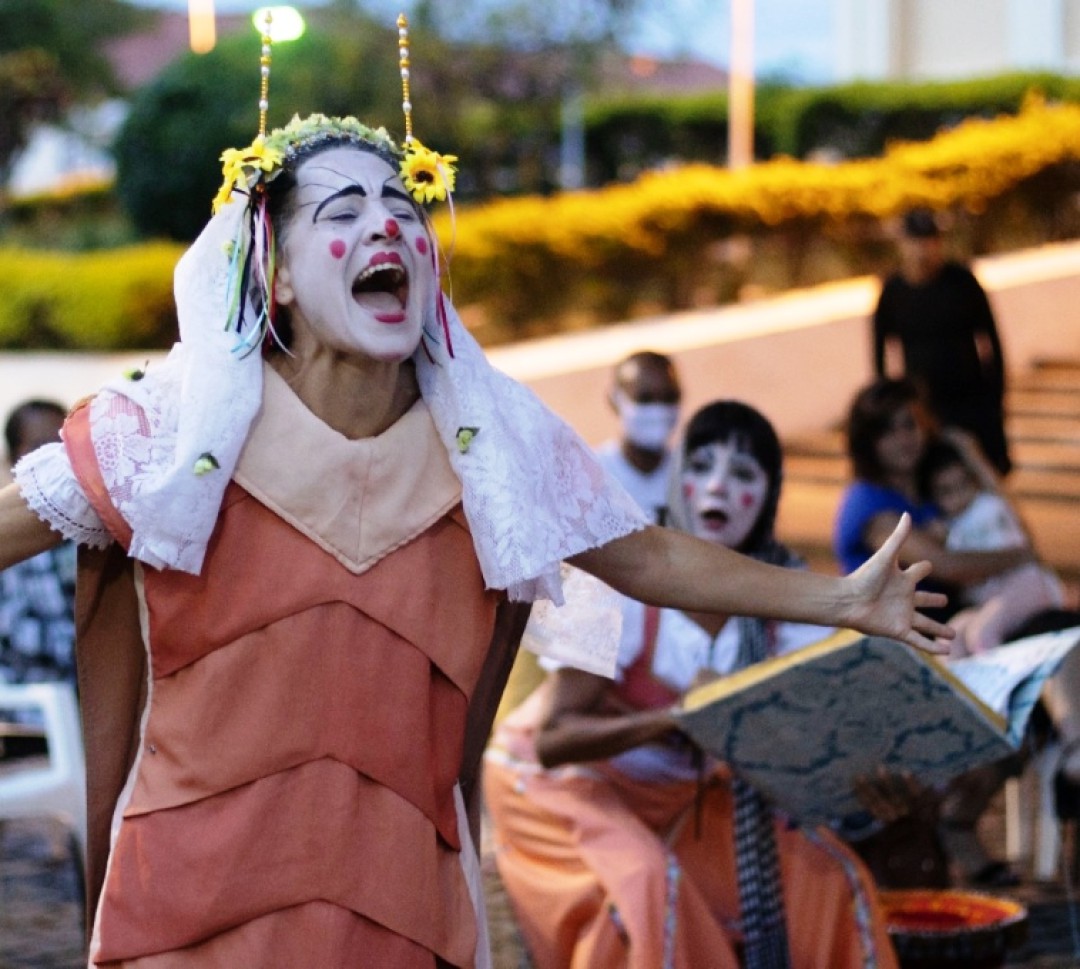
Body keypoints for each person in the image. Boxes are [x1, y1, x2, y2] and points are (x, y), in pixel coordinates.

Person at [0, 60, 947, 969]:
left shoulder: (489, 448)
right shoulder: (171, 435)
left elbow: (645, 554)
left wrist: (844, 601)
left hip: (395, 899)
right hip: (199, 899)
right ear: (276, 273)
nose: (388, 227)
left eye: (405, 207)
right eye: (344, 210)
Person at [484, 400, 901, 969]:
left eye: (744, 474)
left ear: (770, 495)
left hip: (688, 795)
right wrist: (675, 718)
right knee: (648, 887)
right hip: (563, 786)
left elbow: (804, 743)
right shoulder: (624, 579)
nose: (718, 487)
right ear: (677, 480)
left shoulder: (791, 598)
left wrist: (875, 781)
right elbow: (554, 741)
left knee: (831, 878)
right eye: (702, 465)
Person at [832, 377, 1040, 887]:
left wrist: (976, 463)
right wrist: (1019, 558)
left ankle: (960, 826)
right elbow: (943, 562)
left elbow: (1008, 526)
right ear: (868, 442)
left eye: (911, 424)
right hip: (897, 652)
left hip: (951, 636)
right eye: (889, 430)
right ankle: (944, 841)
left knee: (1022, 724)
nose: (905, 438)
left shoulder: (927, 486)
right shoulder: (870, 504)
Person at [872, 208, 1011, 475]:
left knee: (985, 473)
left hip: (972, 400)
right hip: (925, 405)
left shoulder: (962, 282)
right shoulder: (893, 291)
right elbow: (880, 352)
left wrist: (995, 397)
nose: (923, 249)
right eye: (916, 241)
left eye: (930, 240)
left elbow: (991, 341)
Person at [917, 436, 1064, 656]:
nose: (959, 497)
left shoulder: (987, 507)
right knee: (949, 640)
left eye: (963, 485)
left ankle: (999, 686)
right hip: (988, 601)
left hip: (1023, 585)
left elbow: (995, 492)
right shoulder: (948, 526)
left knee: (982, 635)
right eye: (947, 491)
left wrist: (970, 452)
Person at [0, 400, 77, 694]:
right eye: (40, 446)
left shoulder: (87, 534)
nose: (54, 458)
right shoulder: (11, 539)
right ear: (13, 458)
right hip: (30, 710)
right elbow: (15, 636)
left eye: (62, 444)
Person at [594, 351, 682, 523]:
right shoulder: (593, 476)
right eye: (645, 398)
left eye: (669, 397)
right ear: (615, 401)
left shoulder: (689, 473)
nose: (659, 409)